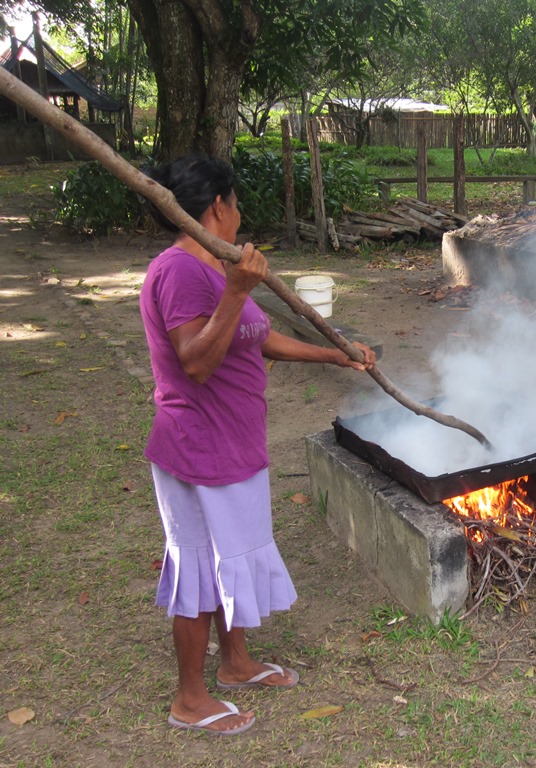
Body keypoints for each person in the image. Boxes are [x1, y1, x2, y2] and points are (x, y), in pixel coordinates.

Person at [139, 154, 376, 735]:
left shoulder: (217, 266)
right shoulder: (178, 272)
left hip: (233, 442)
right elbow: (195, 361)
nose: (240, 214)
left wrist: (334, 352)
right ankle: (189, 699)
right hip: (199, 447)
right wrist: (236, 290)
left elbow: (256, 336)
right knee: (198, 566)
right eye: (237, 203)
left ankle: (236, 663)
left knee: (233, 556)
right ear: (217, 205)